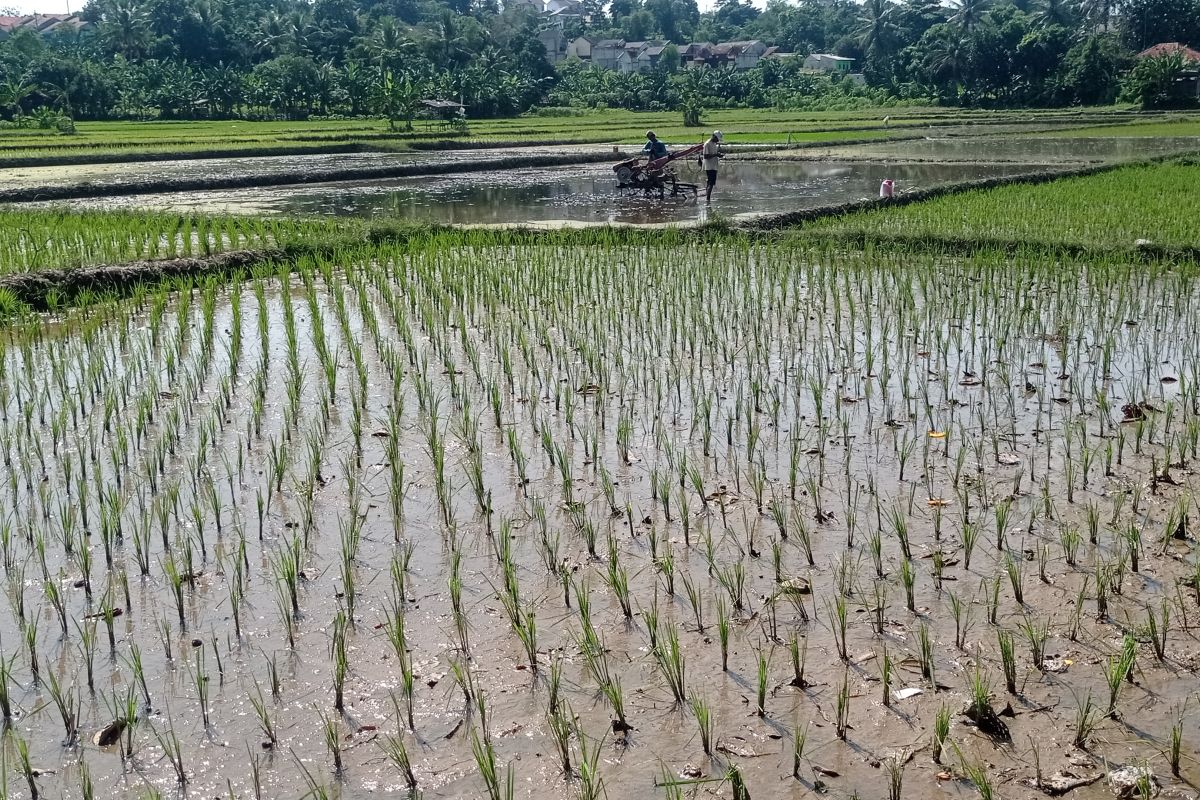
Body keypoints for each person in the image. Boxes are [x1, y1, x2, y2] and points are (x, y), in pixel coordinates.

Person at [702, 130, 723, 203]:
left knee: (710, 182)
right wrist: (716, 155)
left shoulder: (714, 143)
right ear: (713, 136)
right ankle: (708, 199)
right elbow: (705, 156)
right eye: (717, 139)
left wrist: (718, 154)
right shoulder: (707, 144)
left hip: (713, 165)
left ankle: (707, 197)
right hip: (709, 166)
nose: (717, 140)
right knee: (711, 183)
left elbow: (713, 153)